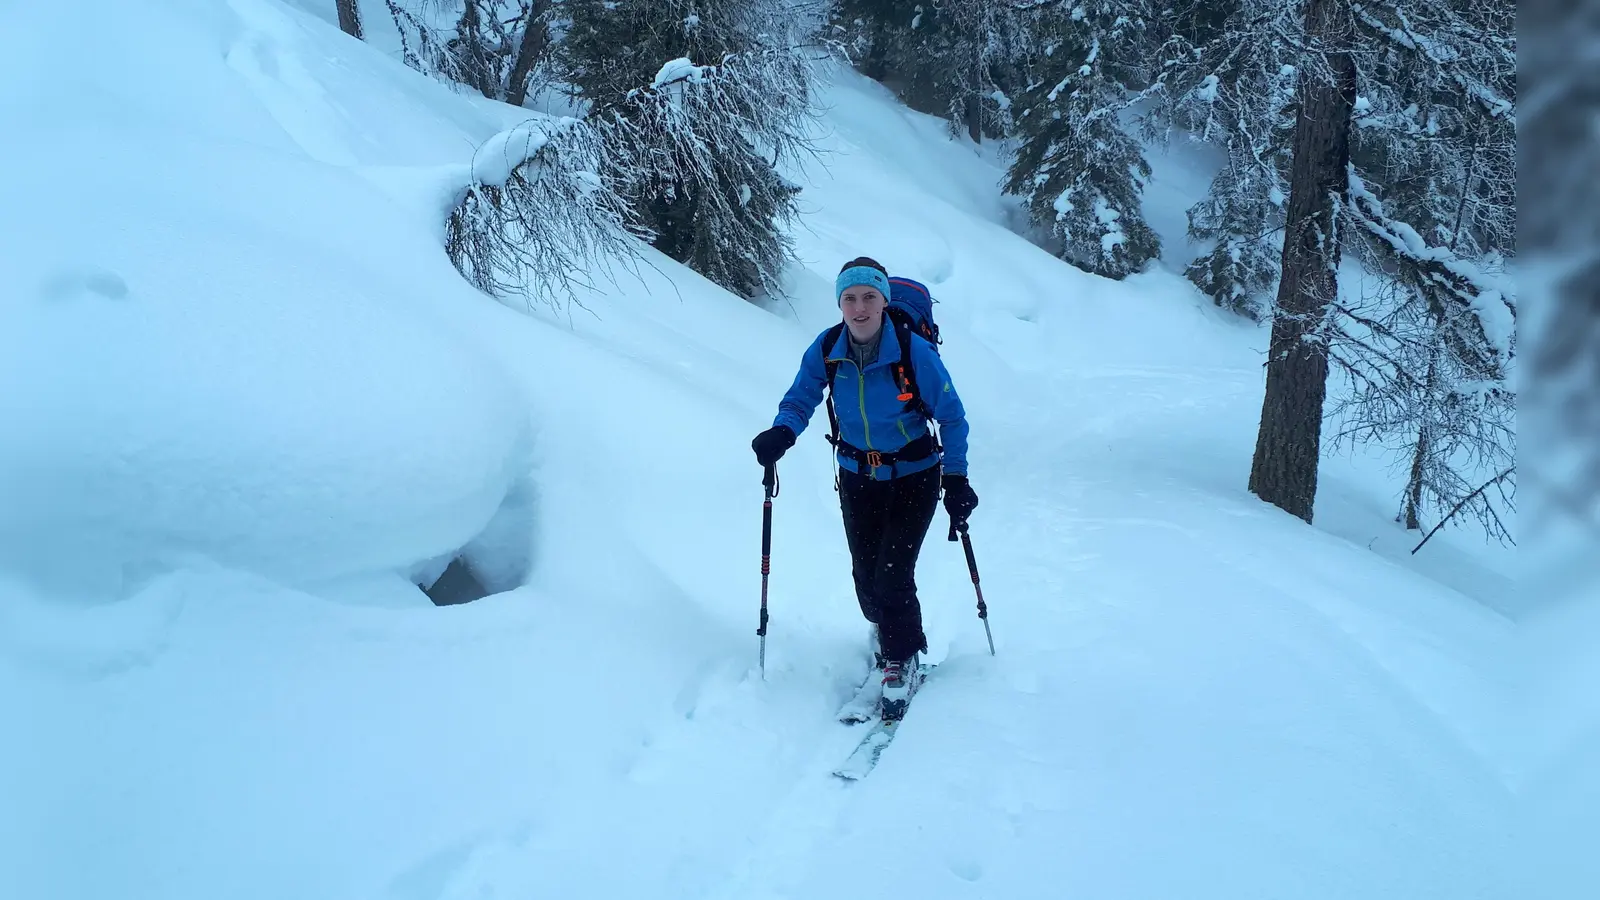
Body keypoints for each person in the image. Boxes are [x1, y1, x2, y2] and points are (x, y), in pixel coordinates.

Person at [750, 256, 977, 719]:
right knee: (867, 579)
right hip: (856, 476)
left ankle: (902, 658)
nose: (859, 307)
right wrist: (783, 432)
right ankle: (892, 631)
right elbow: (801, 397)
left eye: (869, 297)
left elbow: (952, 417)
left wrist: (955, 477)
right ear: (839, 303)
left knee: (892, 575)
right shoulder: (828, 348)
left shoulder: (914, 353)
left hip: (915, 474)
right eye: (850, 298)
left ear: (883, 301)